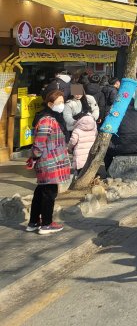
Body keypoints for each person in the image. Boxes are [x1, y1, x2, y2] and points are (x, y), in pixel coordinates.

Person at [26, 90, 70, 234]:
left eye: (63, 102)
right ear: (50, 104)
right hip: (49, 162)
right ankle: (46, 224)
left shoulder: (52, 118)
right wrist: (34, 157)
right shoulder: (47, 120)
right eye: (58, 102)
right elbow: (39, 143)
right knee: (49, 193)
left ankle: (33, 222)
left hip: (50, 161)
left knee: (41, 191)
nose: (61, 105)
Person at [104, 104, 137, 171]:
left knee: (106, 151)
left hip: (120, 148)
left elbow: (106, 129)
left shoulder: (114, 115)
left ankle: (109, 172)